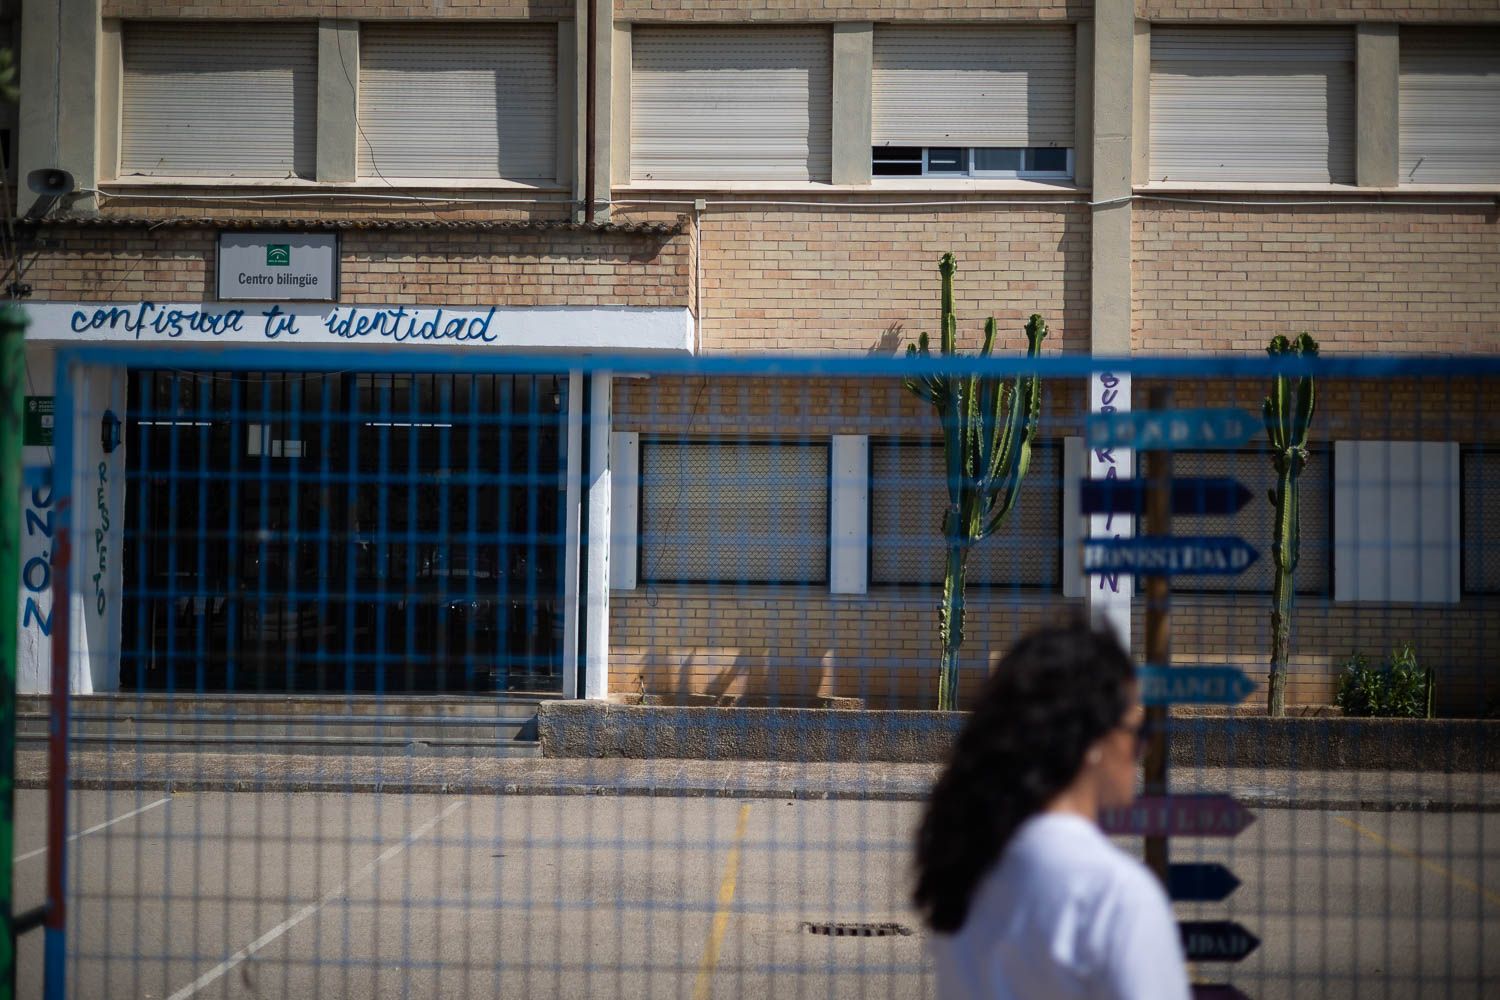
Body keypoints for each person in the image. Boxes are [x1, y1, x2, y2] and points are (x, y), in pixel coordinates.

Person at [913, 622, 1190, 1000]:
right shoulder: (1116, 897)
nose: (1142, 750)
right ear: (1091, 742)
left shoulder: (966, 871)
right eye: (1137, 732)